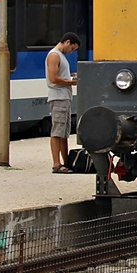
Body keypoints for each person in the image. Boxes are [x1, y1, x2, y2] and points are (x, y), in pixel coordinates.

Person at [46, 32, 80, 174]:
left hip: (65, 97)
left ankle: (66, 162)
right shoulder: (54, 55)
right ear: (67, 42)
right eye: (72, 48)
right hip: (58, 97)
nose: (72, 52)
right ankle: (56, 164)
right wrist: (71, 82)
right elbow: (53, 78)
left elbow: (60, 75)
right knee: (57, 131)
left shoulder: (62, 57)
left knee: (64, 132)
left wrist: (71, 76)